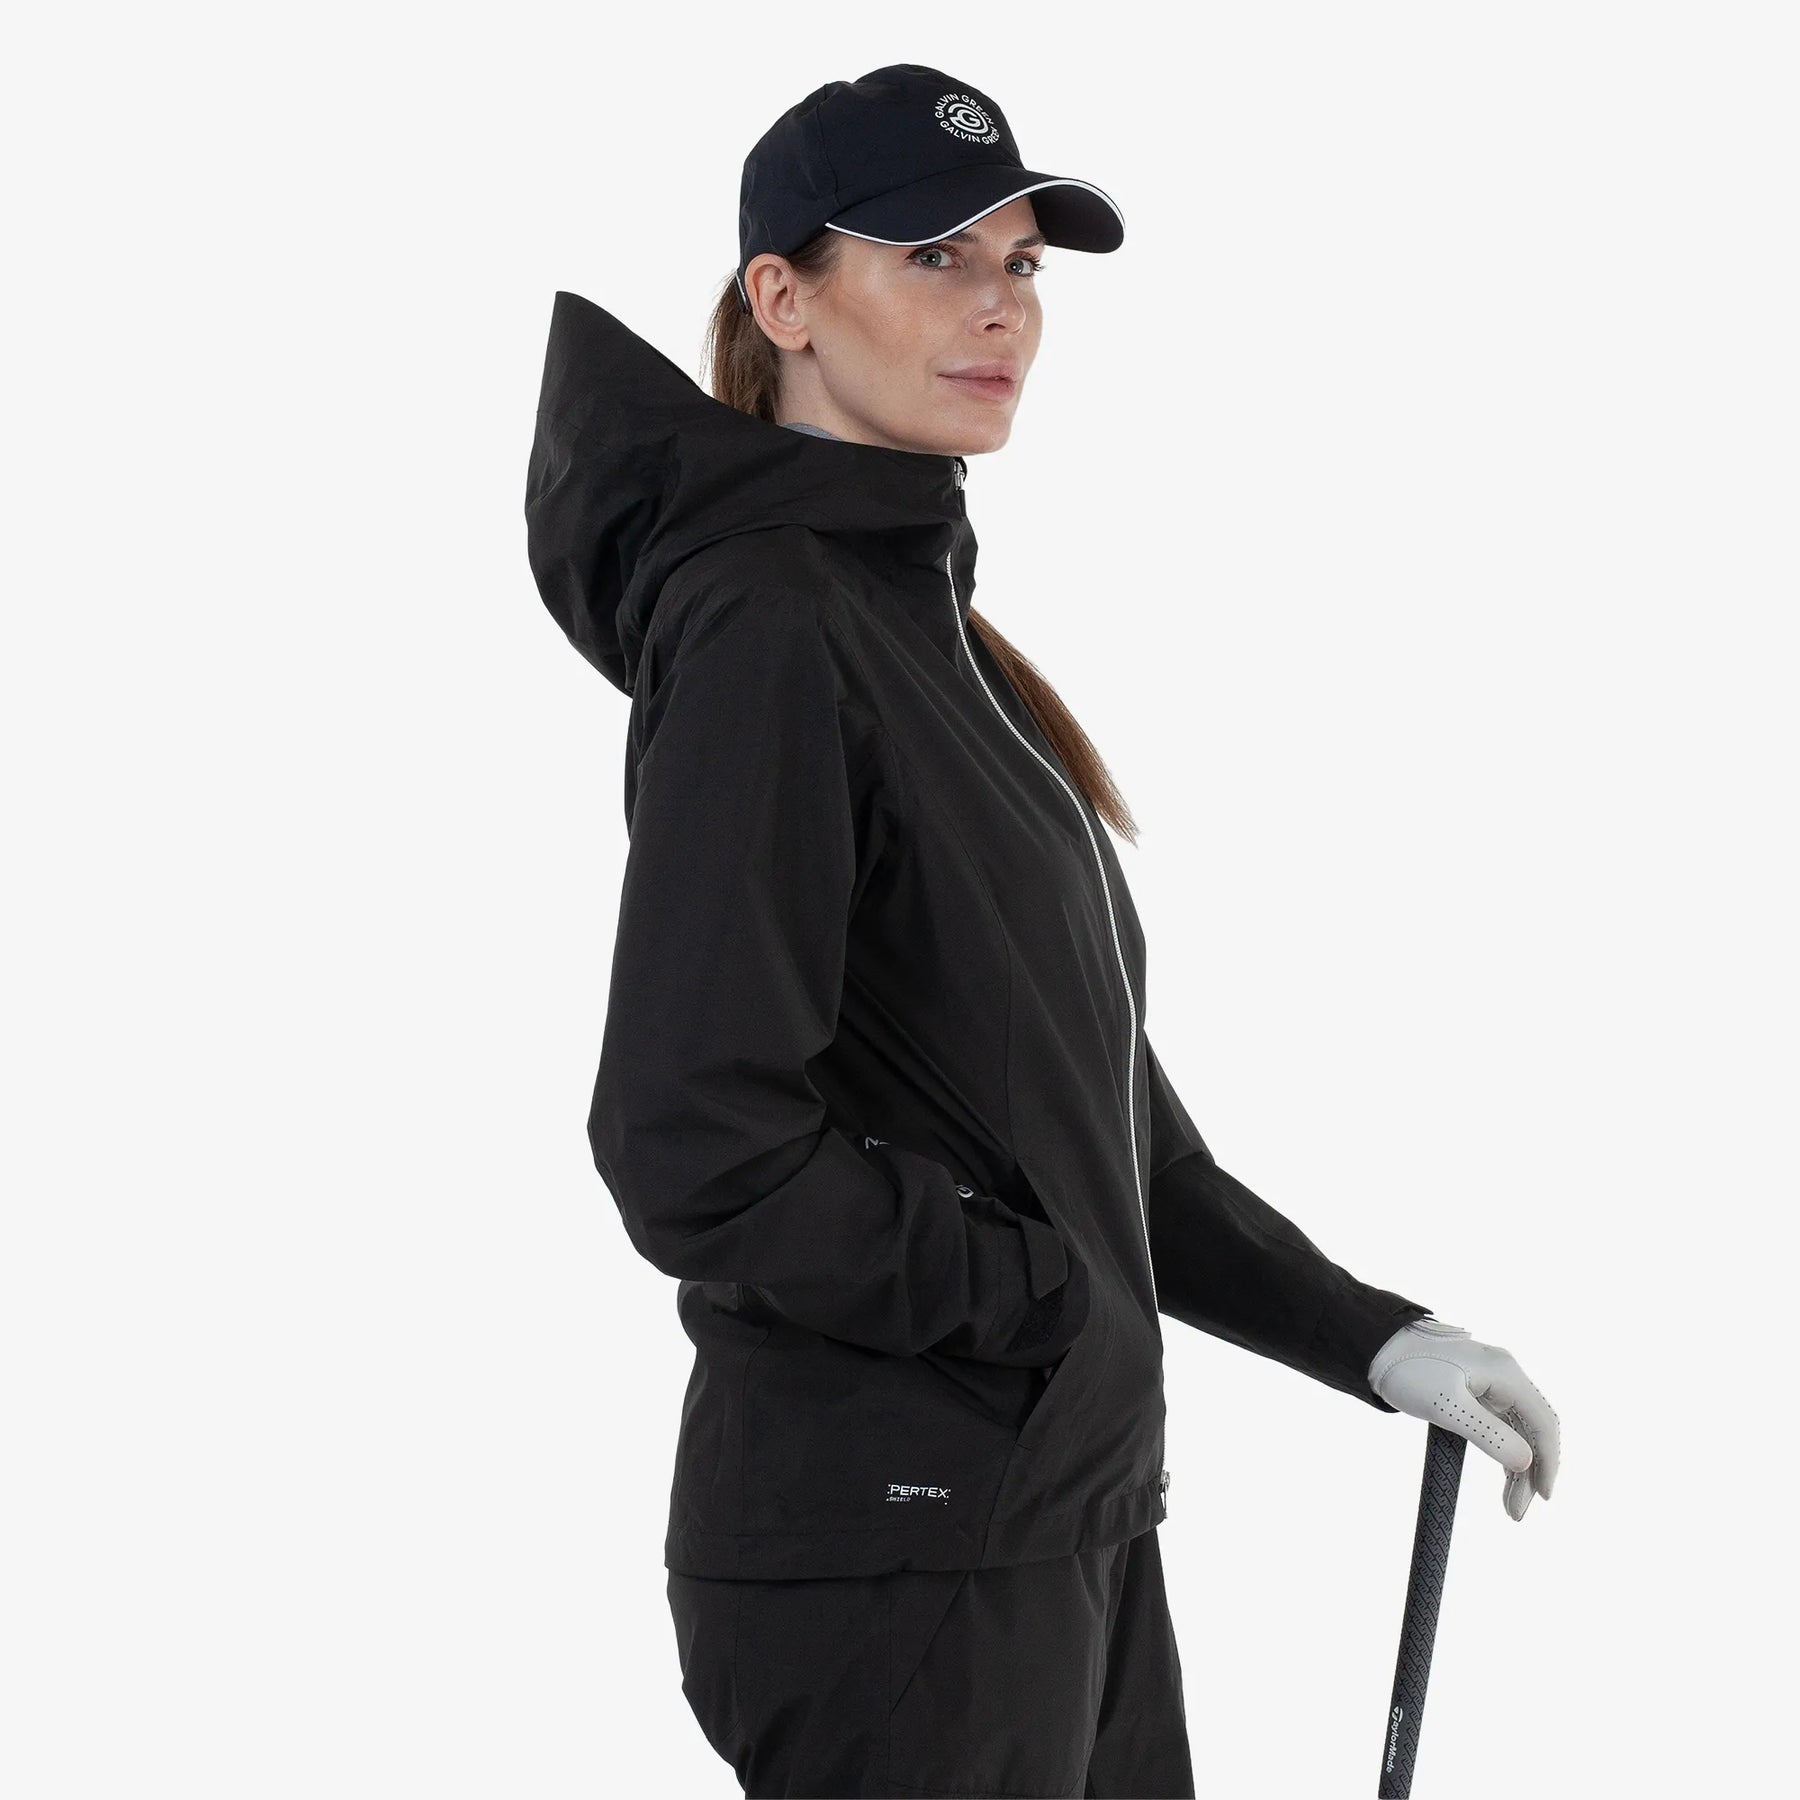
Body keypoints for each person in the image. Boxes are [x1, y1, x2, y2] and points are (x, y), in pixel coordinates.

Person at [524, 61, 1561, 1800]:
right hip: (898, 1555)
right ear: (783, 299)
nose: (999, 307)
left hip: (1050, 1518)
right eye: (934, 258)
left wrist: (1372, 1339)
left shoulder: (926, 633)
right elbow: (691, 1142)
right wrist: (1036, 1294)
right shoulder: (769, 624)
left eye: (1020, 264)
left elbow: (1098, 1133)